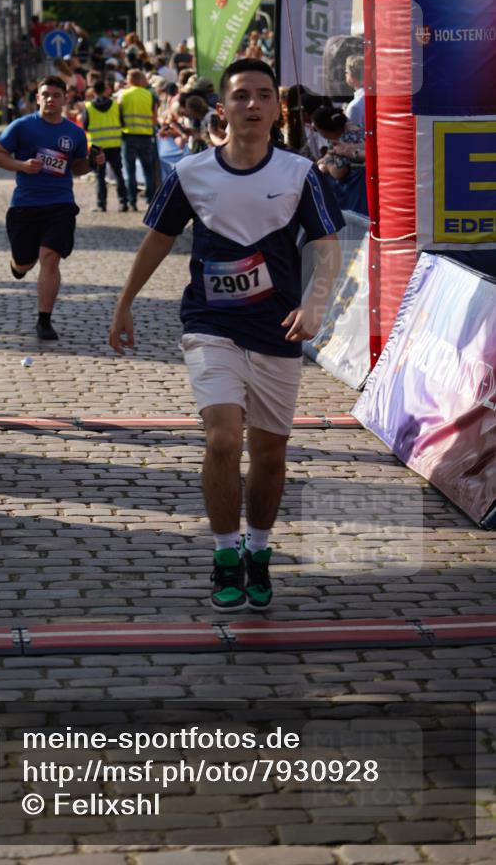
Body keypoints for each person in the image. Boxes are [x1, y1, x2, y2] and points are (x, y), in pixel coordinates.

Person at [110, 58, 344, 613]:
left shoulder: (298, 173)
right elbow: (158, 241)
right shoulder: (191, 173)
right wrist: (124, 302)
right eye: (242, 95)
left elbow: (328, 247)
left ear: (275, 108)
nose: (254, 104)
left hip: (277, 330)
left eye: (264, 95)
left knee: (268, 453)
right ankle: (222, 555)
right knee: (220, 438)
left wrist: (313, 307)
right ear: (224, 108)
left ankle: (257, 553)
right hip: (210, 326)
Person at [0, 76, 104, 341]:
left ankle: (44, 320)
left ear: (65, 99)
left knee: (50, 257)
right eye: (46, 95)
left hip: (60, 204)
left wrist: (93, 162)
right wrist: (21, 165)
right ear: (38, 98)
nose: (51, 99)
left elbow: (77, 168)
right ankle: (17, 266)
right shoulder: (21, 126)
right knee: (25, 262)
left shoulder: (75, 132)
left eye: (56, 95)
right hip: (25, 205)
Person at [312, 105, 367, 215]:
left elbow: (339, 172)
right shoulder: (359, 129)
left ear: (323, 130)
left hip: (355, 194)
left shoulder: (339, 141)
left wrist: (326, 163)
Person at [82, 80, 128, 212]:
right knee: (118, 174)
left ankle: (101, 204)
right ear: (105, 90)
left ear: (94, 91)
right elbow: (122, 122)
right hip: (114, 144)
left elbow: (85, 126)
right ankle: (123, 202)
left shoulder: (88, 106)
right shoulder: (115, 105)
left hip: (97, 146)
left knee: (100, 176)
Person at [118, 69, 157, 210]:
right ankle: (150, 200)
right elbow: (154, 117)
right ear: (141, 79)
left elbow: (119, 114)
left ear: (129, 80)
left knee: (131, 170)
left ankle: (132, 201)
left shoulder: (123, 95)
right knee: (148, 170)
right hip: (146, 135)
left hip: (129, 136)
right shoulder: (150, 95)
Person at [344, 54, 365, 128]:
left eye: (347, 72)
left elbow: (353, 137)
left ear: (353, 76)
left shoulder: (354, 106)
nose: (345, 74)